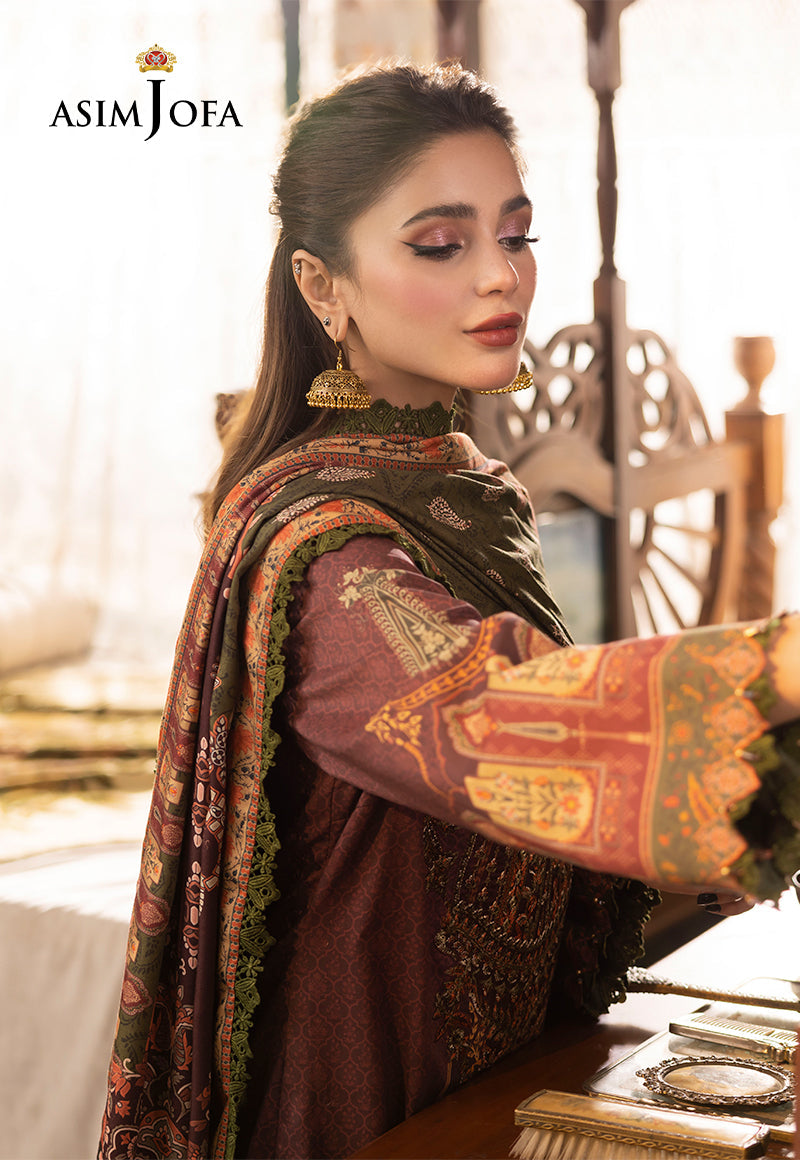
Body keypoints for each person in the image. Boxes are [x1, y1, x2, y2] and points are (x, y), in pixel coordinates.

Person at [98, 62, 800, 1160]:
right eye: (440, 243)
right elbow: (488, 710)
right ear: (323, 285)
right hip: (373, 1099)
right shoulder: (319, 559)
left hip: (507, 1068)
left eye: (515, 236)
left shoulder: (466, 485)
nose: (500, 277)